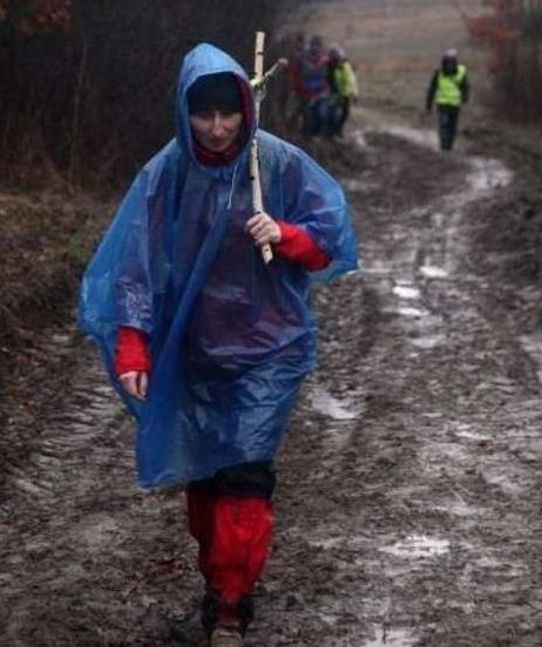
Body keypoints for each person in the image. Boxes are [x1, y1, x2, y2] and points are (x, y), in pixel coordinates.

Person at [78, 43, 358, 646]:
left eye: (227, 114)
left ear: (244, 109)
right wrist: (133, 345)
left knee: (243, 473)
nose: (216, 127)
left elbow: (330, 241)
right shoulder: (166, 173)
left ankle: (232, 602)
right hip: (194, 346)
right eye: (203, 115)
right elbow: (136, 266)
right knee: (204, 476)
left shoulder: (277, 164)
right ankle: (217, 576)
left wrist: (285, 235)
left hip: (269, 347)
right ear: (184, 111)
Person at [425, 48, 470, 151]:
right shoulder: (439, 73)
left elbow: (465, 86)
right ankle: (444, 146)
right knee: (444, 125)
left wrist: (465, 97)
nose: (450, 63)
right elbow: (432, 88)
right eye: (448, 60)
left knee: (452, 127)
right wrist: (428, 105)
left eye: (452, 60)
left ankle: (449, 146)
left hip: (455, 104)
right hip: (443, 104)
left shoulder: (461, 72)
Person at [296, 35, 332, 137]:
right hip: (306, 93)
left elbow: (327, 77)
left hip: (320, 93)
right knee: (308, 117)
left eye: (318, 46)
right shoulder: (303, 59)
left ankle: (317, 136)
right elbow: (301, 76)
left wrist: (324, 90)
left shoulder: (324, 60)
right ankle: (307, 137)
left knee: (321, 115)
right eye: (314, 45)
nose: (316, 48)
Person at [326, 45, 359, 137]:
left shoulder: (346, 65)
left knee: (345, 114)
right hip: (336, 94)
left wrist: (355, 93)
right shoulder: (330, 67)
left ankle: (338, 130)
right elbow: (331, 81)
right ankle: (331, 132)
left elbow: (352, 80)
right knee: (333, 113)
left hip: (346, 94)